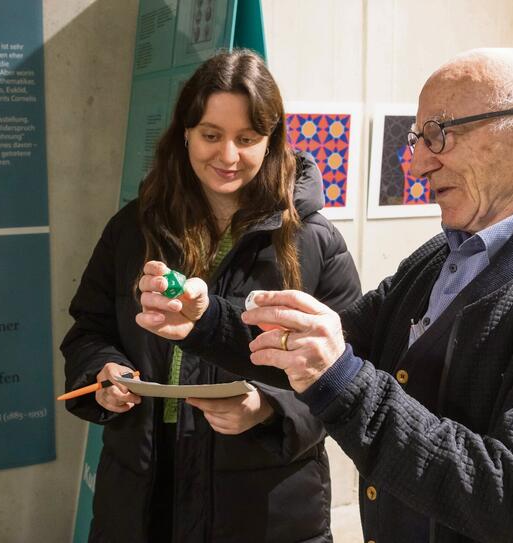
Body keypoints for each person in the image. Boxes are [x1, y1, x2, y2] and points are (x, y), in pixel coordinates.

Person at [137, 48, 513, 542]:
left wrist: (343, 382)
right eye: (417, 139)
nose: (417, 165)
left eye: (440, 134)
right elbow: (337, 345)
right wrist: (207, 322)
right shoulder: (441, 258)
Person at [60, 49, 361, 543]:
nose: (227, 157)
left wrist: (267, 409)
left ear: (272, 140)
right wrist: (103, 373)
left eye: (247, 139)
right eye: (211, 135)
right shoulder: (133, 229)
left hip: (265, 504)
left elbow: (350, 373)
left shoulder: (315, 241)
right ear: (184, 133)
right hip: (141, 491)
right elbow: (90, 329)